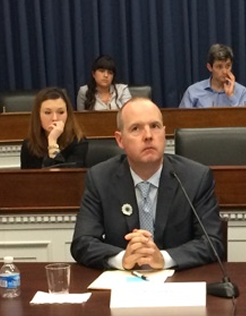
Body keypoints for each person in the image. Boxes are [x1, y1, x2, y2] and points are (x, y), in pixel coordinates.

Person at [71, 97, 224, 270]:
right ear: (120, 140)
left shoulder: (195, 177)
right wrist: (122, 258)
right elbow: (82, 242)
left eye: (155, 126)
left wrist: (163, 259)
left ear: (164, 133)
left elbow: (212, 242)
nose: (149, 136)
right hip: (124, 285)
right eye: (136, 128)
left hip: (178, 284)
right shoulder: (100, 178)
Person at [21, 87, 87, 169]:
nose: (55, 118)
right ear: (38, 115)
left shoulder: (78, 142)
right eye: (47, 112)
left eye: (61, 112)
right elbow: (25, 179)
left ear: (68, 114)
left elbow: (63, 177)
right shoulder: (29, 144)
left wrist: (52, 141)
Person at [180, 43, 246, 108]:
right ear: (210, 67)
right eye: (219, 67)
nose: (225, 71)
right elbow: (181, 120)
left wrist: (231, 96)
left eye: (228, 66)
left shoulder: (242, 92)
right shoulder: (193, 92)